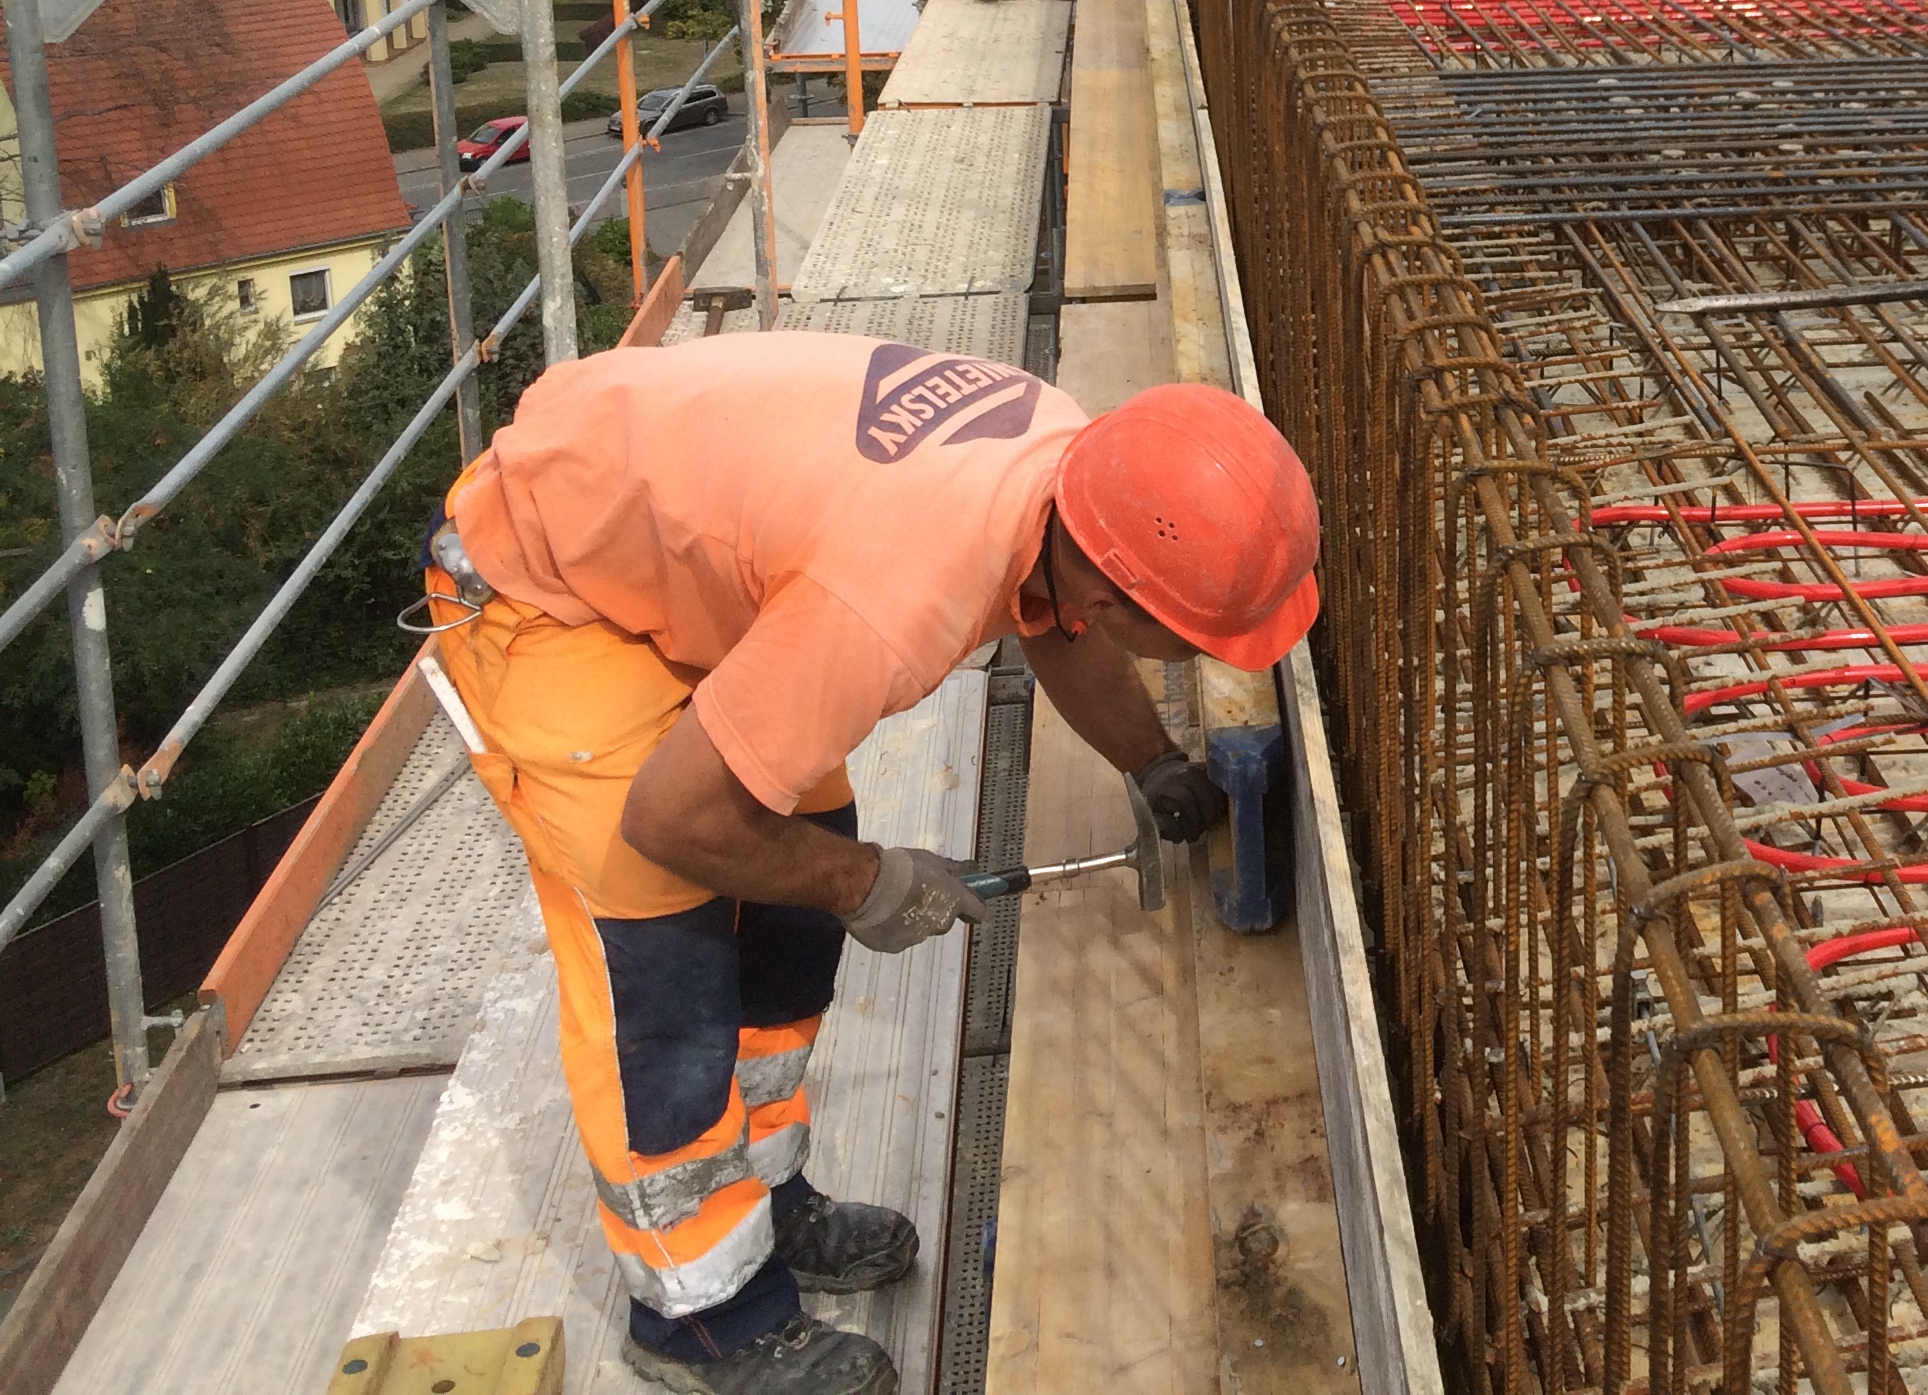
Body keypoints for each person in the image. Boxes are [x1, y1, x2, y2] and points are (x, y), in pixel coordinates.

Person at [422, 332, 1320, 1395]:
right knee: (666, 961)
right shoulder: (891, 599)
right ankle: (698, 1315)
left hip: (654, 530)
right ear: (1126, 600)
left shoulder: (1071, 467)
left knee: (800, 865)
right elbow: (672, 819)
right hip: (546, 593)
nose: (1209, 658)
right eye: (1200, 642)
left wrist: (1153, 760)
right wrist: (870, 887)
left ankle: (762, 1198)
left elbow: (1058, 616)